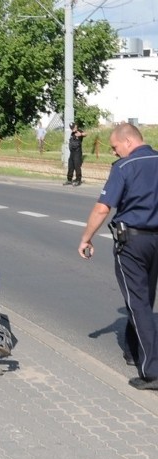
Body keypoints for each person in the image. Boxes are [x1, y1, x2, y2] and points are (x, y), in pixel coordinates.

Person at [78, 123, 158, 390]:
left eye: (115, 147)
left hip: (133, 243)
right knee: (144, 298)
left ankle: (152, 371)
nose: (114, 152)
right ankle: (132, 350)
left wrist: (86, 237)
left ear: (128, 142)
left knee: (138, 303)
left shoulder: (123, 168)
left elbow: (102, 208)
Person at [64, 122, 87, 186]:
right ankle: (69, 179)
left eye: (73, 127)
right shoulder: (72, 133)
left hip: (77, 152)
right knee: (70, 166)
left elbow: (86, 134)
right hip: (72, 153)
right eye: (71, 128)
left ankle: (78, 180)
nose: (72, 129)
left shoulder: (79, 131)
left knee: (77, 166)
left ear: (75, 126)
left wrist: (81, 134)